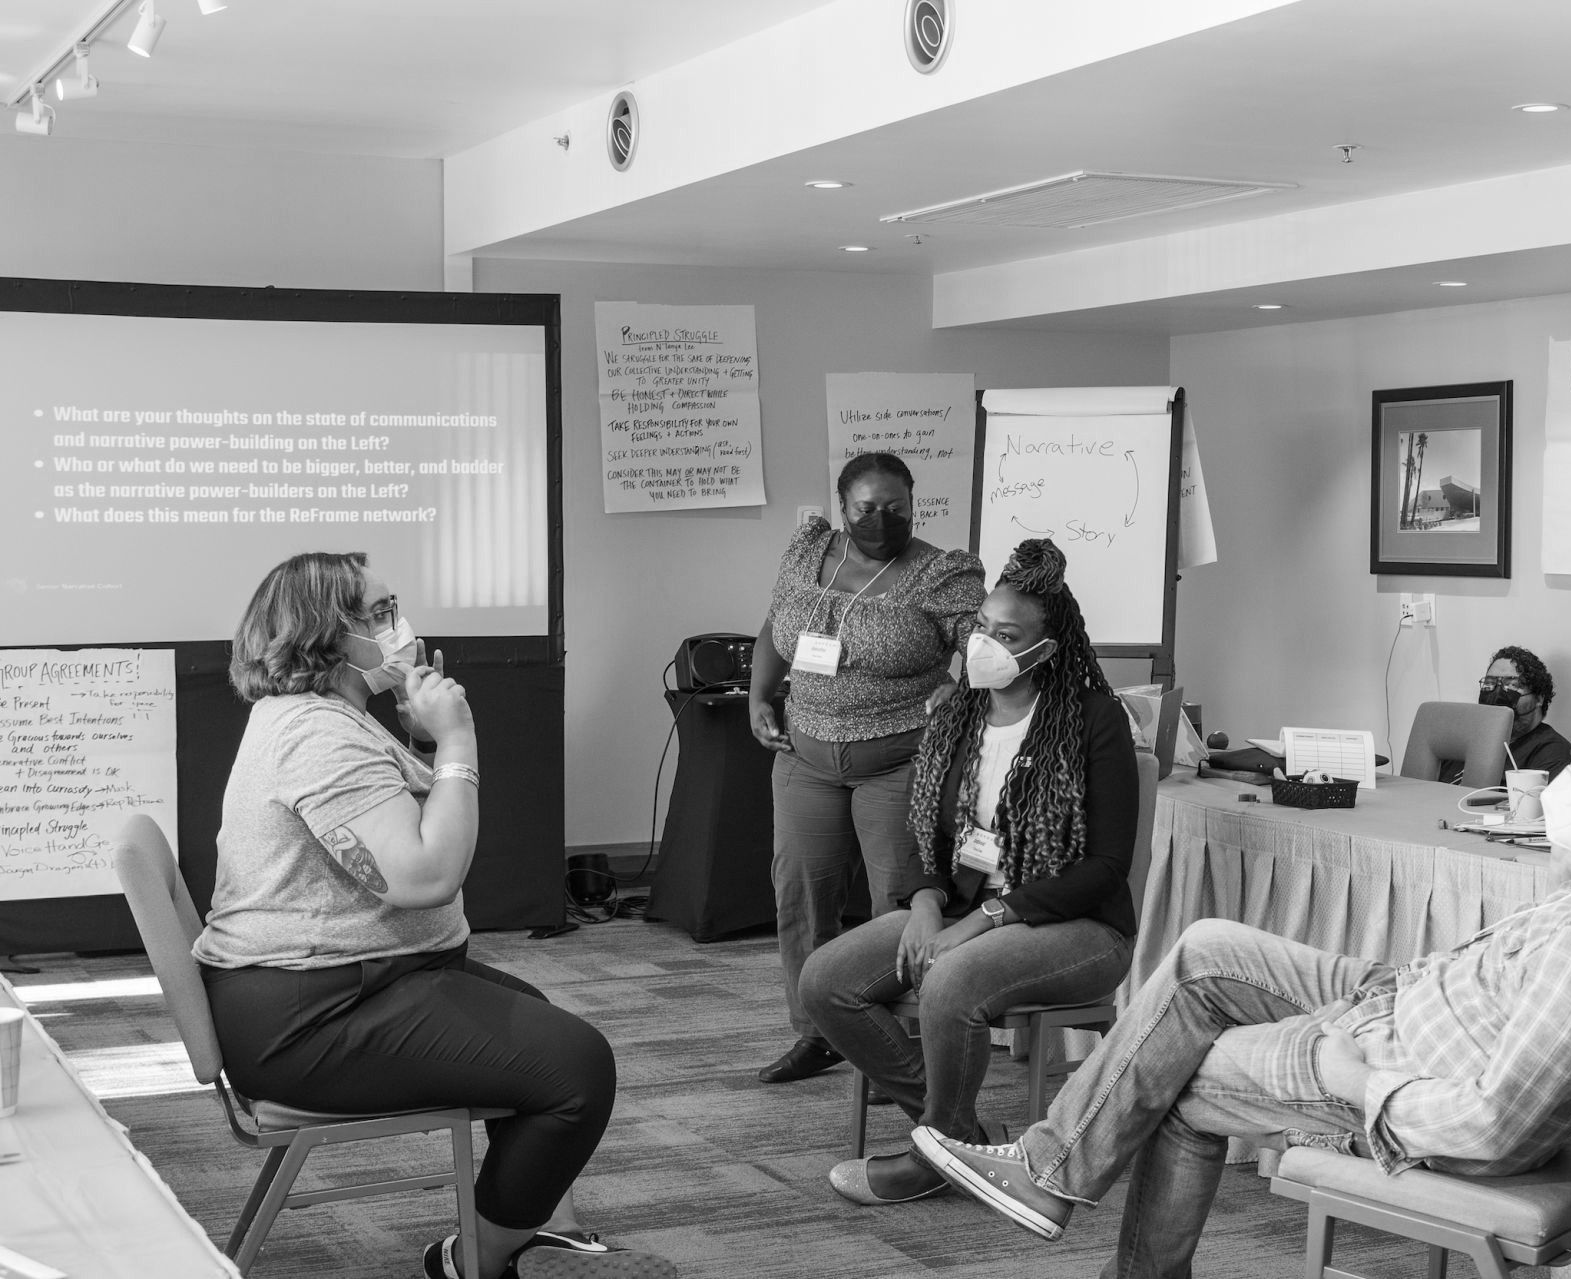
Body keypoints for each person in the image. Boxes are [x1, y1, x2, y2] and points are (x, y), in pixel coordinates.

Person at [911, 683, 1571, 1277]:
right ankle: (1049, 1167)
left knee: (1181, 1068)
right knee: (1202, 948)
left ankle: (1054, 1180)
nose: (1563, 779)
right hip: (1404, 1002)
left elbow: (1494, 1124)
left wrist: (1360, 1078)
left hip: (1394, 1065)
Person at [193, 552, 670, 1279]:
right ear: (330, 635)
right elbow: (426, 874)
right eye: (380, 613)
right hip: (308, 1017)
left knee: (536, 1019)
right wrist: (456, 740)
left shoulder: (322, 717)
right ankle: (471, 1260)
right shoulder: (319, 733)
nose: (399, 625)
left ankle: (535, 1222)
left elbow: (390, 819)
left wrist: (421, 738)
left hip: (327, 985)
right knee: (578, 1070)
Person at [799, 539, 1138, 1206]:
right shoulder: (958, 711)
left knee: (951, 980)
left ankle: (934, 1155)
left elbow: (1106, 866)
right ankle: (961, 1138)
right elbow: (925, 831)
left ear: (1048, 646)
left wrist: (984, 920)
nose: (985, 642)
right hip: (960, 910)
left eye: (1006, 634)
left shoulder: (1095, 721)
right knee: (825, 981)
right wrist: (926, 904)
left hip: (1076, 926)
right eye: (982, 626)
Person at [749, 453, 988, 1084]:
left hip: (900, 760)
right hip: (805, 753)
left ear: (914, 504)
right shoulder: (807, 553)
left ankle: (896, 1045)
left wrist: (958, 688)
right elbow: (778, 626)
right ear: (841, 505)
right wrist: (758, 697)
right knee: (801, 893)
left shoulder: (939, 574)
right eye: (865, 509)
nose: (881, 519)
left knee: (897, 907)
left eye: (896, 508)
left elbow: (988, 647)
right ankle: (817, 1032)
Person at [1443, 645, 1571, 783]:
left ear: (1539, 698)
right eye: (1490, 683)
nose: (1497, 693)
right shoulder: (1466, 741)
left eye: (1512, 685)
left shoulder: (1553, 753)